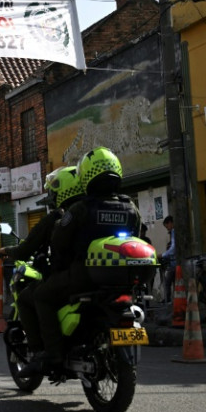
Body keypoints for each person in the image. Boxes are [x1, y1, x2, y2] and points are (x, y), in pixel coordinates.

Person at [20, 147, 141, 377]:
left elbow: (59, 243)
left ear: (86, 176)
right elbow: (138, 236)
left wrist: (56, 262)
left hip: (83, 275)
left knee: (41, 296)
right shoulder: (131, 207)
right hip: (121, 280)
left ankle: (53, 355)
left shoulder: (80, 209)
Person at [0, 165, 85, 358]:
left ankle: (43, 354)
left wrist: (7, 251)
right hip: (97, 277)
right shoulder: (91, 209)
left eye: (53, 191)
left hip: (69, 277)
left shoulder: (60, 217)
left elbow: (25, 249)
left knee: (33, 297)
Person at [157, 215, 175, 303]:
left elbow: (173, 248)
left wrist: (163, 255)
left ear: (171, 223)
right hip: (174, 262)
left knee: (167, 282)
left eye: (167, 226)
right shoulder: (172, 233)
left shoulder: (174, 232)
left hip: (174, 263)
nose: (167, 228)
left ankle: (168, 299)